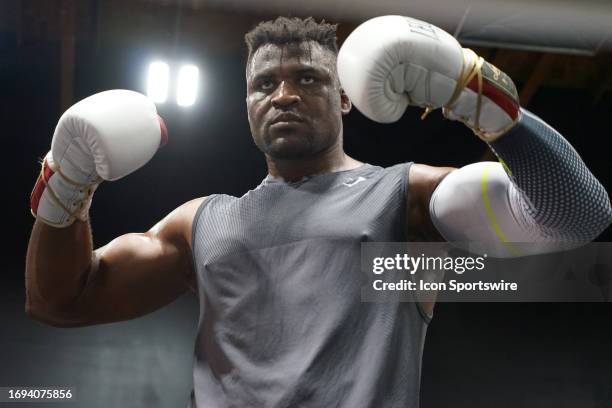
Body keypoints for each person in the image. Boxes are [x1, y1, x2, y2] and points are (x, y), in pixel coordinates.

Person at [25, 15, 612, 408]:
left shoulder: (403, 199)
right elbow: (61, 299)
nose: (283, 94)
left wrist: (481, 96)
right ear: (247, 104)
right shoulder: (201, 222)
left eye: (308, 77)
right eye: (264, 84)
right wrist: (64, 187)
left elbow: (573, 214)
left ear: (346, 96)